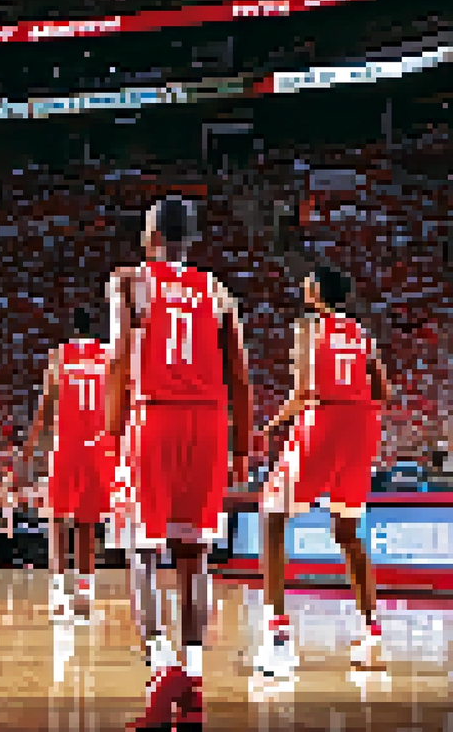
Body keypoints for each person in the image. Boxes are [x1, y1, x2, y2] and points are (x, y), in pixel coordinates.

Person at [105, 198, 254, 729]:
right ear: (191, 241)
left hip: (156, 418)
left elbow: (121, 358)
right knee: (195, 557)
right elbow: (240, 375)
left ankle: (162, 664)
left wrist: (109, 433)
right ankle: (192, 686)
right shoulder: (217, 292)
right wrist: (243, 446)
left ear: (149, 236)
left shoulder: (129, 283)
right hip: (210, 425)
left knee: (141, 554)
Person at [254, 265, 392, 681]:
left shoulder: (309, 328)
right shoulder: (362, 334)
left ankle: (277, 636)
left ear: (318, 292)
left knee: (272, 516)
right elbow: (382, 392)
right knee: (348, 533)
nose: (303, 283)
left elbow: (304, 391)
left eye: (308, 280)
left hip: (326, 423)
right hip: (363, 427)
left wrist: (274, 425)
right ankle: (372, 636)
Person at [26, 307, 116, 623]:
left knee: (58, 518)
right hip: (97, 445)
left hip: (66, 445)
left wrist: (32, 441)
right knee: (87, 522)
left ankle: (57, 593)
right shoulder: (107, 354)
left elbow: (47, 402)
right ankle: (84, 594)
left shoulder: (59, 356)